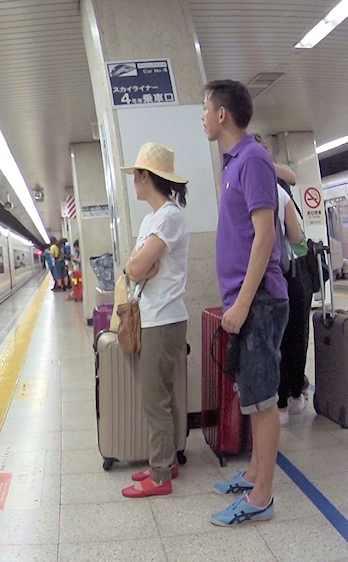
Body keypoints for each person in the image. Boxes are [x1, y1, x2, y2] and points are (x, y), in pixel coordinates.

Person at [203, 79, 288, 526]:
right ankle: (254, 472)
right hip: (246, 299)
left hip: (259, 301)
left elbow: (266, 234)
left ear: (222, 115)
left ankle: (262, 497)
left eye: (205, 108)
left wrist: (242, 303)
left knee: (262, 399)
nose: (202, 116)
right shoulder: (234, 163)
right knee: (253, 394)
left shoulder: (253, 158)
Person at [117, 143, 190, 498]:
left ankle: (161, 477)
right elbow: (136, 267)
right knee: (162, 395)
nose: (134, 182)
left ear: (147, 177)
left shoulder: (170, 217)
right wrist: (141, 267)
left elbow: (134, 267)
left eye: (136, 176)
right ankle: (167, 460)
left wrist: (140, 267)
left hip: (165, 319)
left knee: (154, 399)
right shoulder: (151, 220)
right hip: (153, 317)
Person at [254, 135, 311, 427]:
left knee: (269, 341)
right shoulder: (279, 192)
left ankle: (276, 404)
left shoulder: (239, 189)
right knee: (293, 335)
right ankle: (293, 397)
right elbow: (297, 237)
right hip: (286, 274)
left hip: (257, 279)